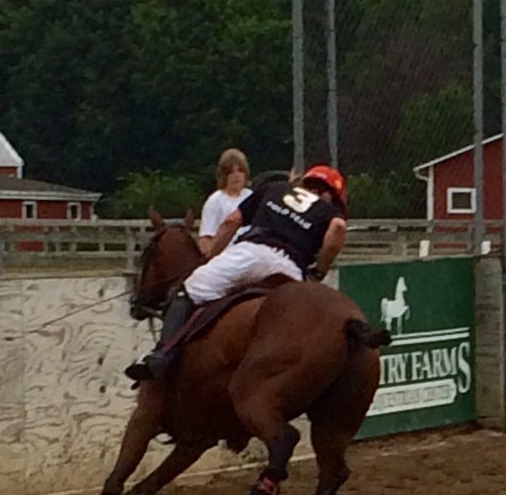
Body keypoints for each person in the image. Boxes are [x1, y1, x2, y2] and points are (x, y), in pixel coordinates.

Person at [126, 165, 348, 381]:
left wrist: (209, 258)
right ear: (334, 195)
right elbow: (338, 229)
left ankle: (163, 355)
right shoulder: (329, 211)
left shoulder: (276, 188)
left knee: (188, 289)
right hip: (289, 266)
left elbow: (233, 221)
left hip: (249, 254)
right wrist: (319, 271)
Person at [198, 148, 252, 258]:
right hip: (226, 257)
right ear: (223, 176)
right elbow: (205, 240)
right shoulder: (215, 200)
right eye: (231, 172)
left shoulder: (252, 197)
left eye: (240, 171)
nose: (236, 175)